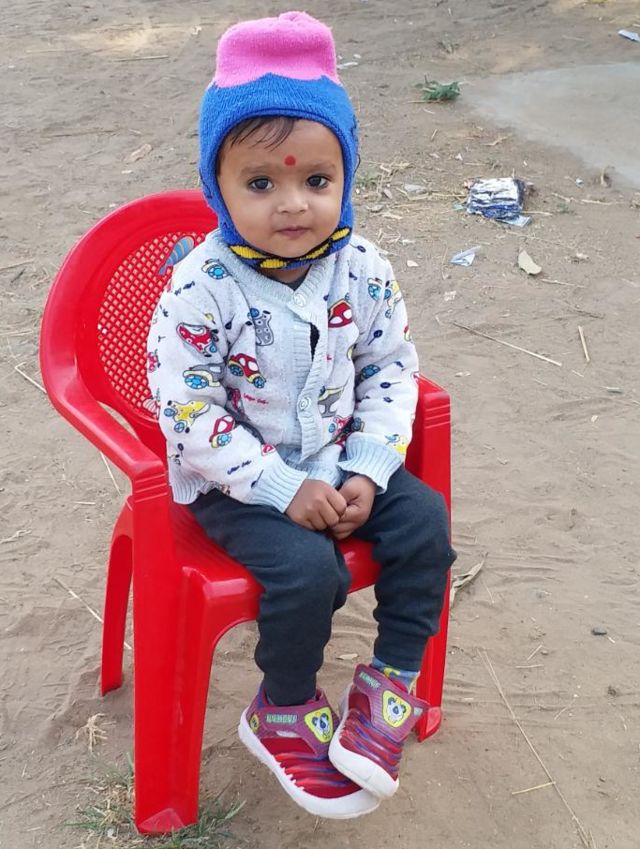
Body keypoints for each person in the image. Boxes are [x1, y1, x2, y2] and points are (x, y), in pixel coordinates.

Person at [147, 10, 456, 821]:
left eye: (317, 180)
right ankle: (281, 704)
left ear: (345, 176)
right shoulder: (200, 286)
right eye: (261, 184)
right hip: (236, 484)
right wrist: (282, 487)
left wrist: (370, 469)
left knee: (426, 524)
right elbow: (187, 409)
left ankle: (390, 680)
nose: (293, 205)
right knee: (308, 570)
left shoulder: (363, 267)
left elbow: (391, 368)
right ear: (217, 185)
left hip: (342, 460)